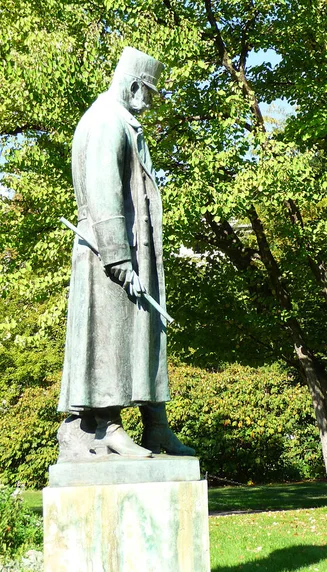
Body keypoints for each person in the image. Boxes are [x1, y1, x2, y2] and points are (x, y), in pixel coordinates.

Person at [58, 46, 194, 459]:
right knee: (110, 339)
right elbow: (104, 192)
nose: (151, 103)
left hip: (133, 252)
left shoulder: (119, 120)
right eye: (149, 93)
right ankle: (106, 427)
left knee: (145, 335)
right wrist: (118, 257)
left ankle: (157, 426)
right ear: (134, 86)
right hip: (109, 253)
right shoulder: (105, 121)